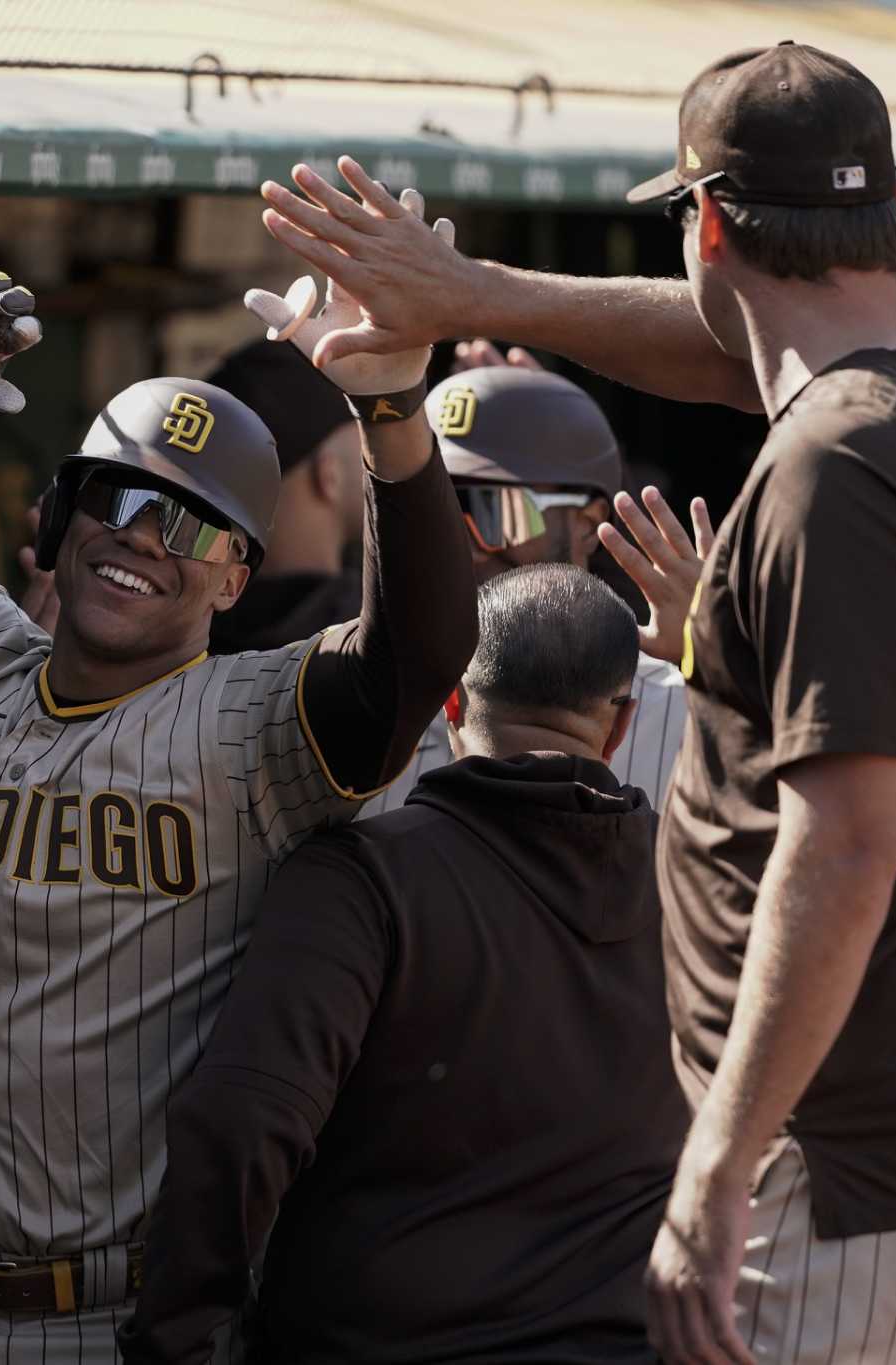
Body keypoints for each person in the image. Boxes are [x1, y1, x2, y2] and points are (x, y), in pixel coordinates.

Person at [253, 45, 896, 1362]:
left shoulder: (833, 464)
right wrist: (465, 292)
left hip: (847, 1176)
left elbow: (847, 848)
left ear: (710, 224)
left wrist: (718, 1165)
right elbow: (733, 346)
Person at [0, 218, 475, 1360]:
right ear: (56, 511)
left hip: (102, 1321)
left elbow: (416, 654)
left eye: (188, 521)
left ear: (236, 573)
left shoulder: (250, 724)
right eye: (115, 495)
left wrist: (388, 414)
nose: (139, 535)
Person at [121, 563, 685, 1364]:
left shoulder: (364, 881)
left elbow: (240, 1123)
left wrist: (174, 1341)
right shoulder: (693, 897)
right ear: (620, 727)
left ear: (450, 702)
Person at [368, 365, 704, 807]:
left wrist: (722, 664)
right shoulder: (357, 706)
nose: (462, 548)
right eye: (437, 511)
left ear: (587, 524)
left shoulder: (688, 711)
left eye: (494, 510)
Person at [197, 338, 367, 652]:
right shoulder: (378, 632)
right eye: (364, 443)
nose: (374, 461)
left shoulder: (185, 629)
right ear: (328, 473)